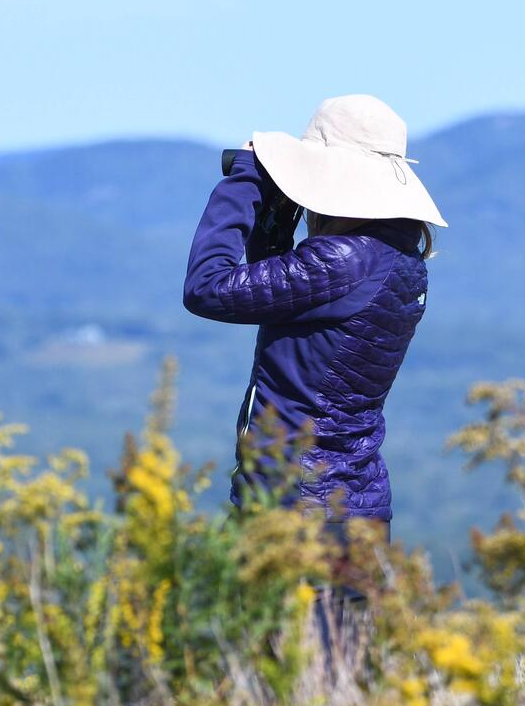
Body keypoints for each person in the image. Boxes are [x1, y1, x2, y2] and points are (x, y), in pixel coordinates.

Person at [182, 94, 447, 675]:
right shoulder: (394, 260)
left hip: (298, 508)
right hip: (351, 507)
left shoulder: (339, 262)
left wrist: (246, 186)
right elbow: (274, 286)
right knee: (335, 684)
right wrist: (279, 216)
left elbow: (208, 287)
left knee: (284, 684)